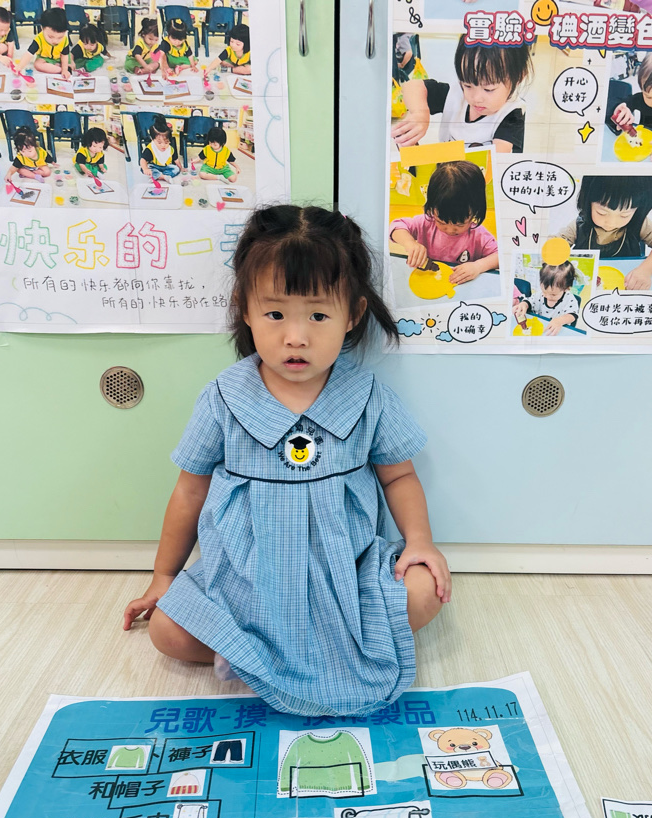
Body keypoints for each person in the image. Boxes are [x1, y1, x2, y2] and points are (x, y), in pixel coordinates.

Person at [123, 205, 450, 718]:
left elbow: (399, 476)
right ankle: (256, 651)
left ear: (353, 315)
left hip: (347, 576)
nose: (295, 336)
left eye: (318, 316)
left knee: (425, 592)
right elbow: (189, 489)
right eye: (275, 315)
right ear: (245, 310)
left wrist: (420, 542)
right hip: (247, 582)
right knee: (167, 632)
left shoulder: (366, 395)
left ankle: (274, 657)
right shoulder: (224, 397)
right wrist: (164, 576)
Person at [391, 36, 532, 152]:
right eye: (467, 85)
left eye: (488, 89)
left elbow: (496, 161)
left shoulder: (512, 114)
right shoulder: (456, 95)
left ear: (519, 77)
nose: (476, 98)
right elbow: (412, 86)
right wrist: (419, 113)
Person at [553, 175, 652, 290]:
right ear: (588, 202)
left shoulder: (638, 223)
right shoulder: (580, 225)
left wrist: (645, 270)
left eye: (624, 215)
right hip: (586, 287)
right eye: (602, 213)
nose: (611, 223)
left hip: (626, 285)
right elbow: (554, 244)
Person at [389, 160, 499, 284]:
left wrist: (478, 266)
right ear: (432, 208)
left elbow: (500, 256)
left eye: (460, 224)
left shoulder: (478, 235)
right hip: (429, 283)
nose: (450, 230)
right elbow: (396, 226)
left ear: (475, 211)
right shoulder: (426, 223)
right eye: (441, 222)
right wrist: (409, 243)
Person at [513, 262, 579, 337]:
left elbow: (572, 315)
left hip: (556, 332)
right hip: (539, 329)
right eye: (544, 291)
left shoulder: (569, 299)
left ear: (566, 288)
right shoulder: (539, 294)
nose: (547, 296)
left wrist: (560, 321)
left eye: (553, 294)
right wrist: (524, 304)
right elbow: (530, 301)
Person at [17, 7, 70, 79]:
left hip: (58, 59)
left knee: (66, 63)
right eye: (50, 37)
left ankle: (59, 68)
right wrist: (19, 67)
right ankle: (58, 69)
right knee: (37, 64)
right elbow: (29, 54)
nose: (55, 41)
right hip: (44, 58)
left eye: (60, 37)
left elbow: (64, 56)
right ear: (42, 28)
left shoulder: (65, 40)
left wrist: (65, 69)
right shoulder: (39, 39)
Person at [139, 115, 183, 182]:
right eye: (159, 143)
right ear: (152, 139)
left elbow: (176, 160)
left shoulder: (171, 149)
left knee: (176, 169)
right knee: (143, 168)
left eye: (166, 142)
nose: (163, 145)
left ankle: (158, 176)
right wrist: (145, 169)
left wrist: (181, 168)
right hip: (154, 166)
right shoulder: (151, 148)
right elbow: (143, 160)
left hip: (166, 167)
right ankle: (163, 176)